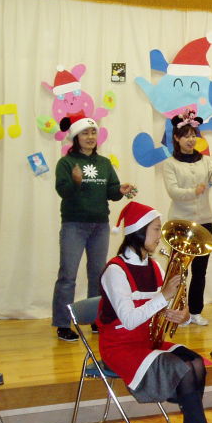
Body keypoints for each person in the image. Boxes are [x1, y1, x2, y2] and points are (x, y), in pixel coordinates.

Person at [97, 201, 212, 423]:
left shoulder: (154, 266)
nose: (160, 236)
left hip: (148, 341)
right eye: (155, 229)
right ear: (138, 231)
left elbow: (163, 309)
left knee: (196, 362)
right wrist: (163, 297)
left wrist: (182, 315)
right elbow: (129, 320)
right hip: (121, 347)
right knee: (182, 369)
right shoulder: (115, 271)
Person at [52, 113, 134, 341]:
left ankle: (97, 319)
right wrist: (75, 181)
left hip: (100, 225)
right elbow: (63, 191)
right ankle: (62, 324)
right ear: (76, 137)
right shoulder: (66, 163)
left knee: (98, 275)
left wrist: (120, 190)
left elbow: (112, 192)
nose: (90, 137)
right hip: (74, 225)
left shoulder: (104, 163)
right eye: (85, 133)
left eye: (93, 132)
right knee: (68, 275)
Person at [162, 109, 212, 326]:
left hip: (204, 221)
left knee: (200, 270)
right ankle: (177, 311)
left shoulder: (205, 160)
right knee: (179, 270)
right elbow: (173, 191)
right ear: (176, 138)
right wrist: (193, 192)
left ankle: (196, 311)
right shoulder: (170, 163)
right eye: (186, 136)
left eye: (193, 135)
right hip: (180, 222)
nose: (190, 140)